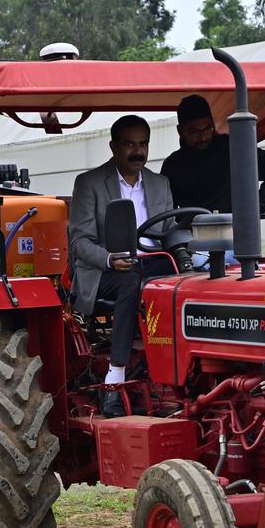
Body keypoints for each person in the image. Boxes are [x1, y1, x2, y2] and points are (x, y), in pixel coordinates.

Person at [69, 115, 175, 418]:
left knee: (185, 285)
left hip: (153, 263)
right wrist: (108, 258)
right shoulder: (89, 183)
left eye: (143, 144)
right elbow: (80, 241)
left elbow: (168, 231)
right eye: (130, 144)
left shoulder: (160, 184)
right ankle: (115, 375)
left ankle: (176, 372)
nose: (138, 151)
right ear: (114, 146)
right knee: (131, 282)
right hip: (105, 271)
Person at [161, 94, 265, 215]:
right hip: (190, 235)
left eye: (207, 129)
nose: (202, 138)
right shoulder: (172, 166)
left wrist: (253, 208)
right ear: (180, 131)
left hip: (234, 232)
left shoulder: (233, 149)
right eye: (194, 132)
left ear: (212, 123)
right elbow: (166, 211)